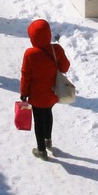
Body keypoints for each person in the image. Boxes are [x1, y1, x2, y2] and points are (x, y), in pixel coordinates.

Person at [19, 19, 71, 160]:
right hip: (52, 92)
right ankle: (48, 140)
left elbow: (26, 76)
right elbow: (65, 67)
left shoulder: (30, 54)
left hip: (36, 96)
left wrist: (24, 93)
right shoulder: (56, 50)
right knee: (48, 113)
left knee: (39, 121)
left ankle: (41, 150)